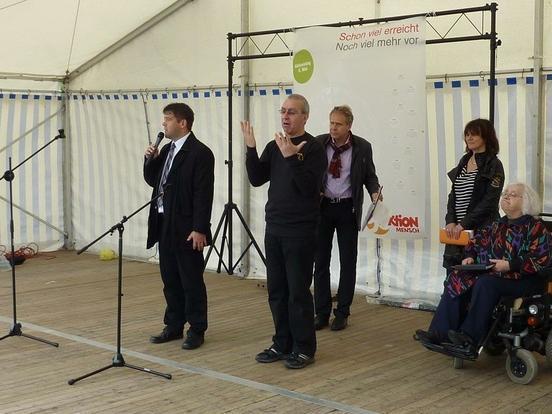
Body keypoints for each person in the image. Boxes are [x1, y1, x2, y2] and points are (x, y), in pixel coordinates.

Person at [241, 94, 326, 369]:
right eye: (283, 111)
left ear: (305, 117)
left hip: (300, 230)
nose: (285, 116)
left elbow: (309, 189)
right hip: (275, 226)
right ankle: (282, 342)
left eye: (292, 112)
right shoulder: (274, 145)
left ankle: (304, 347)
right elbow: (257, 178)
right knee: (276, 290)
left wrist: (292, 158)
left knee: (297, 291)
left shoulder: (314, 148)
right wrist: (251, 148)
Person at [416, 183, 551, 350]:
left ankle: (469, 337)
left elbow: (542, 259)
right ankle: (439, 333)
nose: (506, 196)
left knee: (485, 283)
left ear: (526, 201)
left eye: (513, 194)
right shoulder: (497, 225)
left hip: (524, 279)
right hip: (496, 275)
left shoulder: (535, 227)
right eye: (505, 193)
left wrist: (510, 265)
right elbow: (475, 242)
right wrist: (470, 257)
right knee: (457, 276)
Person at [144, 103, 215, 350]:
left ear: (182, 123)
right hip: (164, 221)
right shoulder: (166, 150)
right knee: (170, 277)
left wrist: (200, 228)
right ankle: (174, 325)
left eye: (168, 119)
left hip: (187, 226)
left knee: (190, 279)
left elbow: (203, 193)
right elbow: (153, 181)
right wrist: (150, 160)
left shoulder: (200, 153)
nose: (163, 124)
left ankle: (197, 328)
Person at [313, 105, 380, 331]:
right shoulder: (319, 143)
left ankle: (342, 312)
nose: (333, 127)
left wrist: (374, 191)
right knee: (320, 261)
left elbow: (370, 176)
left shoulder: (362, 147)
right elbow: (309, 173)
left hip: (347, 208)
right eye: (331, 123)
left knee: (347, 261)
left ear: (349, 126)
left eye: (338, 124)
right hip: (323, 207)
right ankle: (321, 312)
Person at [443, 119, 505, 270]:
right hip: (457, 230)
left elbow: (490, 201)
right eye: (467, 134)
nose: (469, 138)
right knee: (454, 272)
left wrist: (464, 224)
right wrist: (450, 220)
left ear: (486, 137)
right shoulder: (464, 161)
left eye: (474, 134)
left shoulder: (494, 164)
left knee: (476, 270)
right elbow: (453, 194)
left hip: (481, 229)